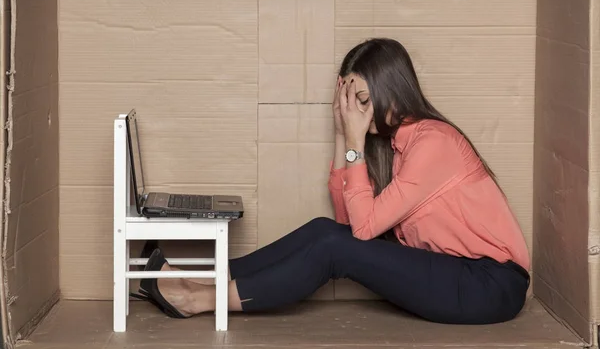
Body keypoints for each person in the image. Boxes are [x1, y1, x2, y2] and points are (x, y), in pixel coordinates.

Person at [137, 38, 530, 325]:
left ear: (391, 90)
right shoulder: (396, 148)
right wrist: (343, 136)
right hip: (452, 273)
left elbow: (359, 232)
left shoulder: (434, 142)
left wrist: (356, 141)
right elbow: (346, 224)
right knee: (325, 231)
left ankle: (202, 298)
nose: (355, 111)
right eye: (348, 102)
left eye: (362, 100)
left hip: (490, 284)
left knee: (332, 246)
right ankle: (203, 276)